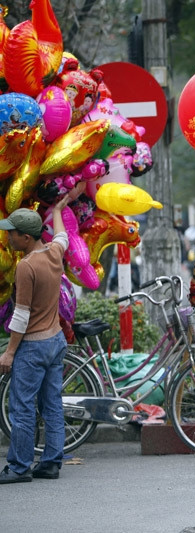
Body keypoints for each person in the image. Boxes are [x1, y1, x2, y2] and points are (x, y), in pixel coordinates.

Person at [0, 196, 71, 483]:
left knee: (23, 406)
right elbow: (63, 236)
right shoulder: (54, 253)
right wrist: (58, 210)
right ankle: (52, 463)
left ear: (26, 237)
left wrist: (9, 353)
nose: (7, 236)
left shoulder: (26, 266)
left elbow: (21, 315)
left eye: (11, 232)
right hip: (55, 341)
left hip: (33, 346)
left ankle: (18, 466)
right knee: (52, 403)